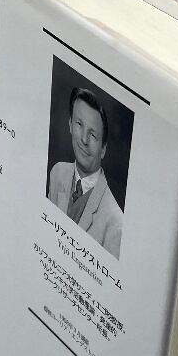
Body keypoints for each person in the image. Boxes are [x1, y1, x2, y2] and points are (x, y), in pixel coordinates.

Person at [48, 87, 123, 258]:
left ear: (103, 149)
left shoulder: (116, 222)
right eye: (79, 124)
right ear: (70, 124)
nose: (83, 139)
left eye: (93, 135)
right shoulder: (57, 172)